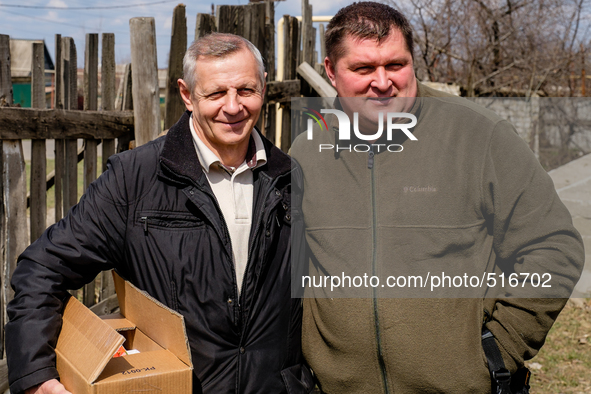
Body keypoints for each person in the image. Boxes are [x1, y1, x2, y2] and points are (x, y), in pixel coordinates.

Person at [289, 2, 585, 393]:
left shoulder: (479, 137)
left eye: (395, 65)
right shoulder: (308, 153)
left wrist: (497, 350)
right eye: (363, 69)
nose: (382, 82)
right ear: (331, 71)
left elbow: (554, 246)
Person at [7, 33, 313, 394]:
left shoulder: (292, 178)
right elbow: (42, 270)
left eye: (246, 90)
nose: (233, 106)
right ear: (186, 95)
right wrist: (36, 377)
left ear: (263, 87)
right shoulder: (135, 179)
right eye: (215, 93)